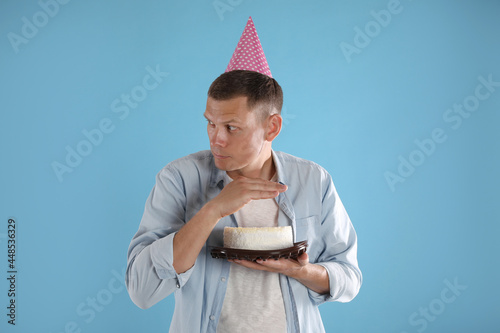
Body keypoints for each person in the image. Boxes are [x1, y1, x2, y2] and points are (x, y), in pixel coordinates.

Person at [126, 69, 362, 332]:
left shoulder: (314, 180)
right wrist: (213, 210)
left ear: (271, 127)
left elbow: (350, 278)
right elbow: (141, 290)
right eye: (210, 123)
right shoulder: (178, 179)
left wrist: (300, 272)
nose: (216, 139)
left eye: (231, 127)